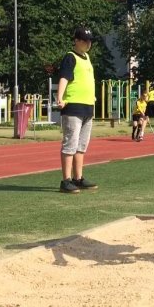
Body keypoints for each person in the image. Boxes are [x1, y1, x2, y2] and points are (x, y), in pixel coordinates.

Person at [55, 27, 100, 193]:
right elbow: (64, 77)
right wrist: (60, 97)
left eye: (90, 41)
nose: (88, 44)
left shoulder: (87, 58)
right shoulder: (70, 57)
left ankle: (78, 178)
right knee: (70, 144)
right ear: (76, 41)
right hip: (73, 106)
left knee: (81, 145)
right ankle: (66, 180)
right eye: (85, 41)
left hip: (87, 106)